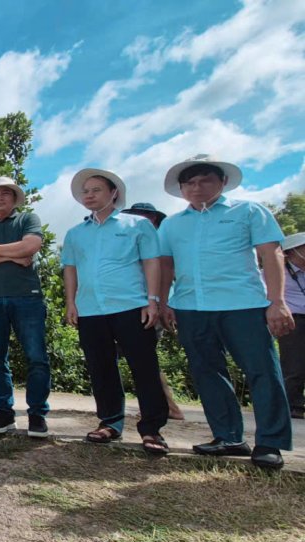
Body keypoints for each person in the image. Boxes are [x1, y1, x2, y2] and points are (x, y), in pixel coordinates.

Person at [159, 155, 294, 469]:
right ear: (181, 189)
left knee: (262, 371)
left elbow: (271, 253)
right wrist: (164, 302)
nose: (197, 188)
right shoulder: (171, 224)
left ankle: (270, 442)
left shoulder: (248, 211)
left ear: (222, 182)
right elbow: (165, 265)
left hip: (243, 305)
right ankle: (228, 436)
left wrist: (277, 301)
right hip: (191, 306)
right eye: (189, 183)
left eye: (205, 180)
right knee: (207, 373)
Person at [62, 168, 170, 456]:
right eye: (85, 191)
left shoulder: (137, 225)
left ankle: (152, 429)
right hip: (90, 309)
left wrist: (153, 300)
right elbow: (70, 269)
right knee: (101, 366)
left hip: (131, 305)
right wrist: (71, 302)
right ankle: (110, 422)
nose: (89, 195)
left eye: (96, 190)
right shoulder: (75, 233)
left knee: (144, 367)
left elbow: (151, 262)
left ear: (114, 193)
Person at [0, 176, 51, 438]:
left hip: (27, 296)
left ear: (14, 198)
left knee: (36, 357)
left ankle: (37, 414)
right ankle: (4, 411)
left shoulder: (27, 220)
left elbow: (31, 246)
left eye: (5, 193)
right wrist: (12, 255)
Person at [120, 202, 185, 421]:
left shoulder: (159, 241)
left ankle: (166, 407)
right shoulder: (130, 238)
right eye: (135, 215)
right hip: (130, 303)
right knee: (140, 356)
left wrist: (163, 304)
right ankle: (166, 405)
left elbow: (168, 273)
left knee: (144, 356)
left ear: (155, 218)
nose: (139, 218)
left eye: (144, 215)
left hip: (152, 304)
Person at [279, 232, 305, 419]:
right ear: (293, 251)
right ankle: (292, 404)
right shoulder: (277, 272)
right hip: (292, 320)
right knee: (294, 365)